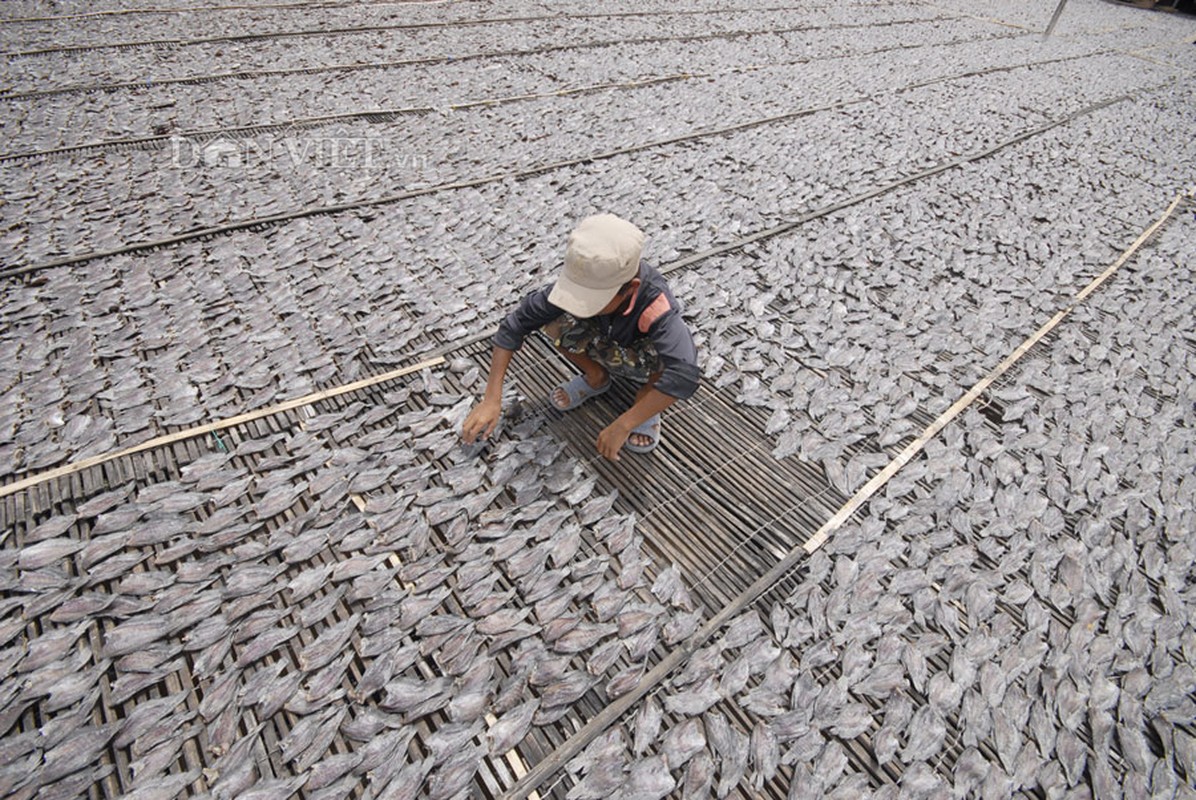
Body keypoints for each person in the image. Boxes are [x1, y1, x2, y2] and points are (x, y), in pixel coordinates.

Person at [461, 214, 700, 461]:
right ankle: (597, 377)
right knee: (555, 321)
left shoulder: (657, 305)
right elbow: (515, 324)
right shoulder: (581, 277)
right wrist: (491, 398)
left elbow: (684, 374)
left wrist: (623, 424)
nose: (583, 303)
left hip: (641, 356)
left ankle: (645, 402)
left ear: (631, 288)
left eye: (594, 299)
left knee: (667, 357)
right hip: (604, 341)